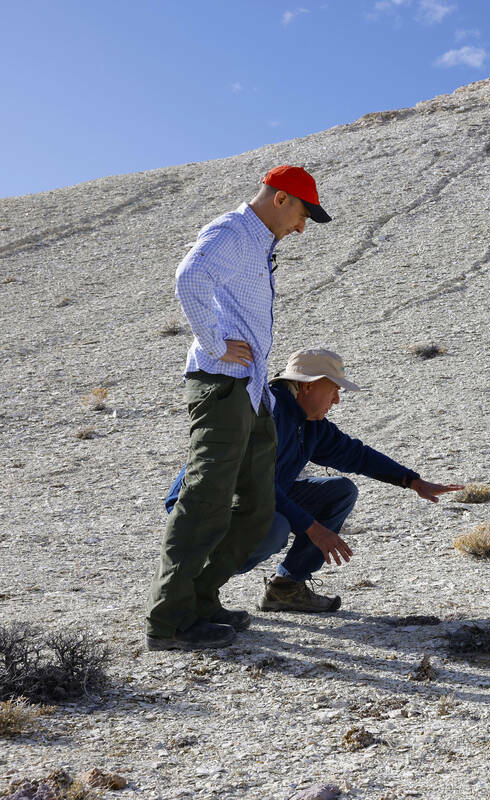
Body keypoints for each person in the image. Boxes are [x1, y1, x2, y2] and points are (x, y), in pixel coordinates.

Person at [145, 166, 333, 651]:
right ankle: (170, 621)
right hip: (222, 385)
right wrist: (213, 342)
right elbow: (189, 278)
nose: (301, 227)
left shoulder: (257, 243)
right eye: (301, 214)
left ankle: (202, 598)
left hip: (250, 392)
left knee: (256, 508)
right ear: (281, 199)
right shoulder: (232, 230)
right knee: (206, 500)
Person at [165, 347, 463, 613]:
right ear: (306, 387)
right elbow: (254, 483)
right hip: (205, 501)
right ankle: (196, 589)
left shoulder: (308, 423)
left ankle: (286, 589)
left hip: (258, 495)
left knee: (340, 491)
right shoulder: (266, 412)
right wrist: (312, 528)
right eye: (333, 389)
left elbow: (356, 455)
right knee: (275, 527)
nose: (336, 399)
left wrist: (412, 481)